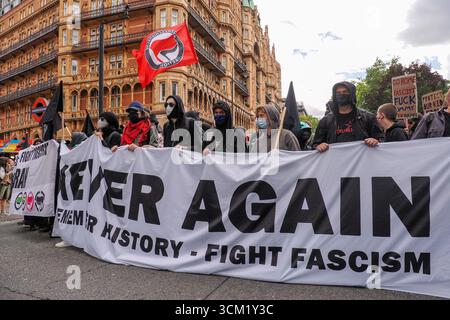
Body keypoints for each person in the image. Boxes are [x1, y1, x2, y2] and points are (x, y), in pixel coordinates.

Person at [313, 81, 383, 152]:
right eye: (338, 93)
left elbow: (382, 140)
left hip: (362, 161)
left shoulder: (368, 117)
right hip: (335, 161)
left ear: (352, 94)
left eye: (345, 92)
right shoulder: (325, 121)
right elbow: (314, 145)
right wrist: (318, 146)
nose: (341, 94)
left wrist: (375, 141)